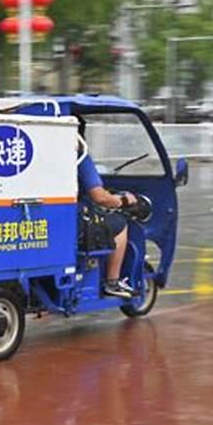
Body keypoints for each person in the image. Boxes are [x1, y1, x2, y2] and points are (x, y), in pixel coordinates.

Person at [77, 116, 137, 299]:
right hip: (74, 220)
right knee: (119, 224)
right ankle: (112, 282)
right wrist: (123, 201)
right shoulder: (80, 156)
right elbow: (99, 196)